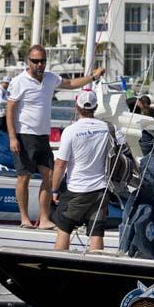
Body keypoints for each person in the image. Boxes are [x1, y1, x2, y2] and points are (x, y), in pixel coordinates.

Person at [7, 44, 105, 230]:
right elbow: (10, 109)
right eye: (35, 61)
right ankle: (25, 218)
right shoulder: (19, 81)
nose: (39, 64)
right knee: (24, 177)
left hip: (42, 135)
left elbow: (70, 84)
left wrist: (93, 76)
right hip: (24, 134)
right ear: (29, 62)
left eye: (42, 61)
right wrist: (12, 137)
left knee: (49, 176)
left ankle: (44, 219)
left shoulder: (51, 78)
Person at [51, 90, 124, 251]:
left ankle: (59, 266)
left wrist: (54, 189)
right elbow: (123, 150)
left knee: (64, 229)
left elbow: (60, 164)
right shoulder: (108, 128)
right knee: (97, 231)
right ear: (95, 107)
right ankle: (97, 268)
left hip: (76, 189)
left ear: (76, 106)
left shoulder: (71, 131)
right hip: (101, 189)